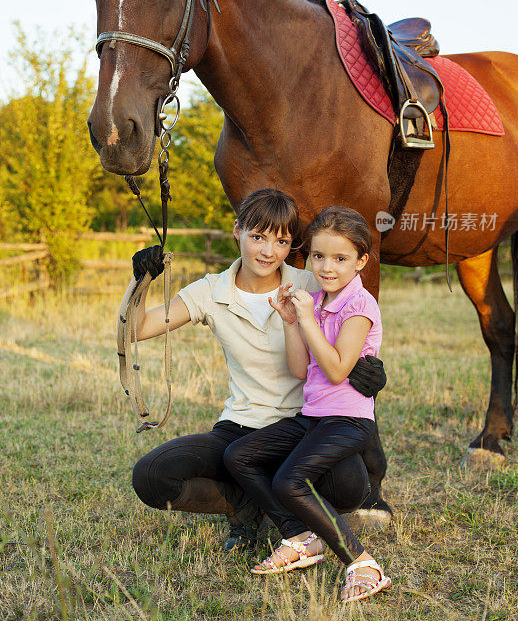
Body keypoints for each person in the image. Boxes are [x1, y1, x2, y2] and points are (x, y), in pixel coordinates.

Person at [127, 189, 386, 552]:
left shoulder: (313, 280)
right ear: (237, 230)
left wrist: (370, 368)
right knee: (152, 476)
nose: (268, 251)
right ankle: (251, 504)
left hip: (302, 426)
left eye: (281, 241)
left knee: (350, 487)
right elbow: (137, 330)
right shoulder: (209, 290)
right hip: (241, 427)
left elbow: (352, 324)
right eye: (257, 237)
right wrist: (141, 281)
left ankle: (278, 504)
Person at [223, 206, 391, 603]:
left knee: (288, 480)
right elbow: (301, 369)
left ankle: (363, 564)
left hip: (348, 421)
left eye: (340, 258)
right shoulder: (314, 301)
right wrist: (289, 320)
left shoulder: (359, 307)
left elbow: (335, 370)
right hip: (313, 417)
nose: (327, 267)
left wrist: (309, 320)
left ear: (361, 261)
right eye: (318, 256)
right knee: (239, 455)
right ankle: (300, 538)